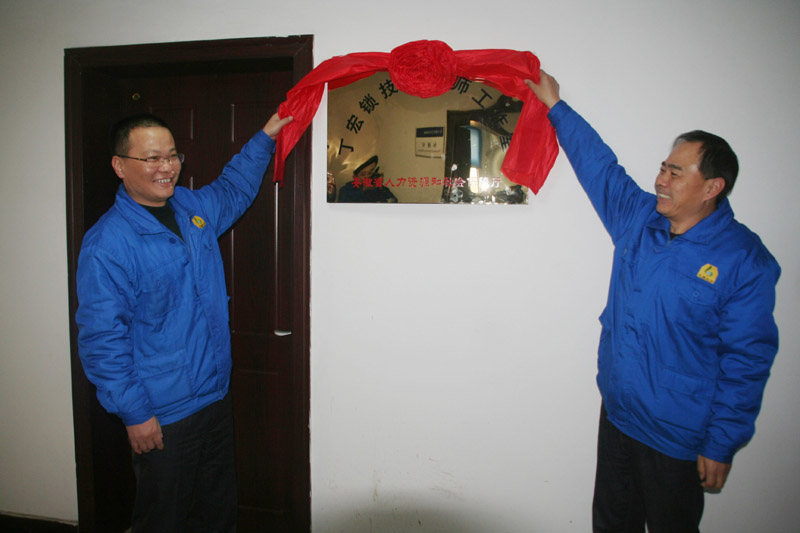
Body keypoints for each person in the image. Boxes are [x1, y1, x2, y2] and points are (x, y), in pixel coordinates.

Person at [525, 72, 780, 531]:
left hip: (676, 437)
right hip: (619, 415)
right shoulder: (638, 219)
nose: (660, 180)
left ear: (712, 187)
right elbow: (600, 167)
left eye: (675, 173)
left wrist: (721, 443)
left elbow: (747, 360)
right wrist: (555, 105)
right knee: (611, 524)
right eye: (663, 168)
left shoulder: (744, 260)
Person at [75, 111, 292, 532]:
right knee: (164, 519)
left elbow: (233, 188)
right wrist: (135, 414)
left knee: (216, 513)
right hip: (162, 414)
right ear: (119, 165)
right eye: (152, 158)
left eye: (173, 156)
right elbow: (102, 340)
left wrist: (266, 135)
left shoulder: (191, 208)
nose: (167, 166)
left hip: (213, 396)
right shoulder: (108, 244)